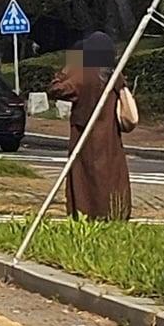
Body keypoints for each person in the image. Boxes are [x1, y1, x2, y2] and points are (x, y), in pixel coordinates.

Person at [48, 32, 132, 221]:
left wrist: (66, 69)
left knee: (84, 179)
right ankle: (116, 214)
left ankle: (86, 215)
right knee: (112, 178)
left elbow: (56, 89)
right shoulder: (115, 76)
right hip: (110, 138)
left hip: (85, 136)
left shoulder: (84, 75)